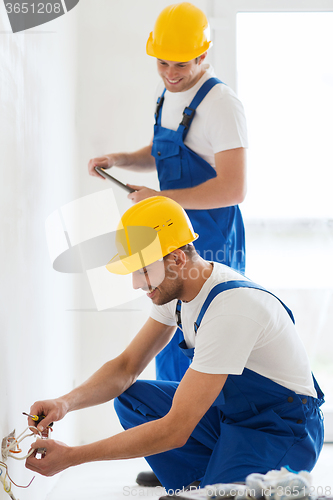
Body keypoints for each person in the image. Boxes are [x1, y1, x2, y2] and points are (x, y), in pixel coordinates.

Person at [26, 196, 324, 490]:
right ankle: (202, 478)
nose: (137, 284)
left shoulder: (231, 309)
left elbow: (176, 430)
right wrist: (64, 403)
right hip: (233, 411)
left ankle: (225, 480)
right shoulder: (177, 291)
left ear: (177, 258)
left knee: (222, 494)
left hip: (283, 429)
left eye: (143, 270)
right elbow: (126, 366)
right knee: (134, 400)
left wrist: (72, 457)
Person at [87, 2, 248, 421]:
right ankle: (174, 451)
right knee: (169, 333)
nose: (170, 73)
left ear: (203, 55)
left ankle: (209, 449)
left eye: (180, 64)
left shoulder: (222, 104)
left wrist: (162, 199)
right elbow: (164, 152)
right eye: (161, 63)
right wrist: (122, 158)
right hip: (171, 237)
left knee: (206, 343)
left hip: (209, 242)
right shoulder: (171, 93)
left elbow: (234, 187)